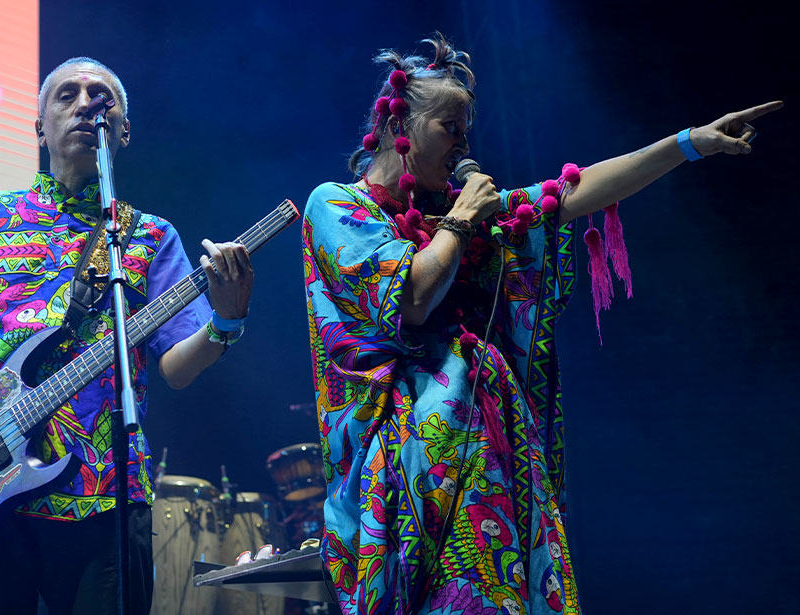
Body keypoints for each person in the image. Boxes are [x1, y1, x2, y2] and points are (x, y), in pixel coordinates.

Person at [301, 35, 781, 615]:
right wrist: (459, 221)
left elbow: (571, 193)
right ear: (398, 120)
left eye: (466, 133)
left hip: (490, 445)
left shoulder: (467, 214)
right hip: (404, 470)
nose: (461, 148)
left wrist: (688, 144)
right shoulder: (337, 207)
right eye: (450, 129)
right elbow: (413, 299)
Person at [0, 57, 253, 614]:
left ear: (125, 131)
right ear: (39, 126)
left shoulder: (150, 236)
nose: (87, 103)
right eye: (68, 94)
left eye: (102, 96)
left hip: (104, 497)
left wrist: (226, 322)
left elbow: (175, 367)